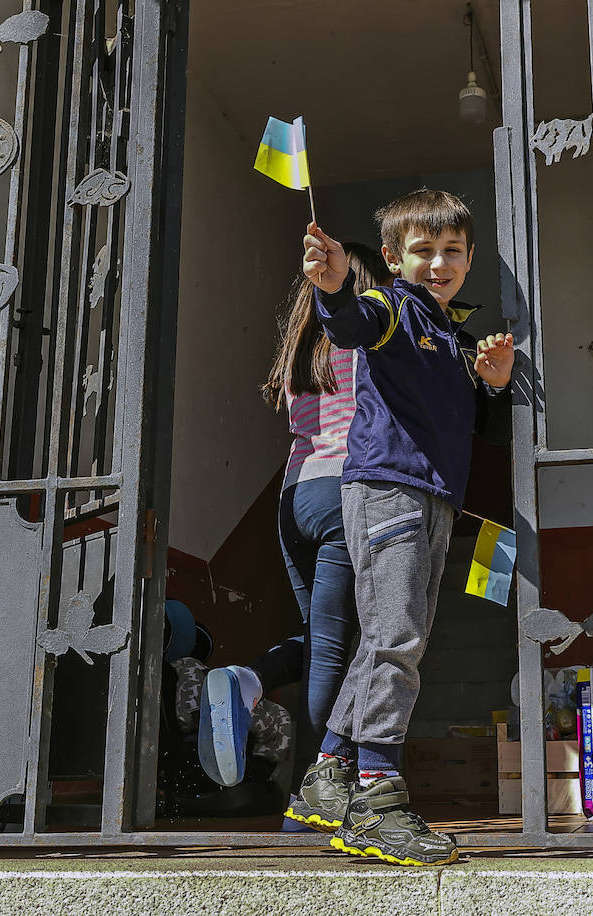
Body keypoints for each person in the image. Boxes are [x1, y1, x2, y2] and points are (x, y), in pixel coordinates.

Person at [290, 189, 513, 866]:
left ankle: (328, 775)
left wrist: (493, 383)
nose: (437, 263)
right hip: (388, 491)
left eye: (451, 252)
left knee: (387, 637)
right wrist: (332, 291)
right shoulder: (395, 306)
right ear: (393, 258)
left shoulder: (450, 332)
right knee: (398, 640)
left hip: (432, 499)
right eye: (423, 250)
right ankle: (375, 800)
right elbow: (353, 322)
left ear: (471, 259)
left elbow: (460, 417)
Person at [194, 245, 390, 829]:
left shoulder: (301, 349)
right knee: (336, 651)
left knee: (323, 640)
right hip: (343, 495)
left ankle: (247, 678)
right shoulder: (363, 344)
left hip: (292, 499)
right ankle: (310, 805)